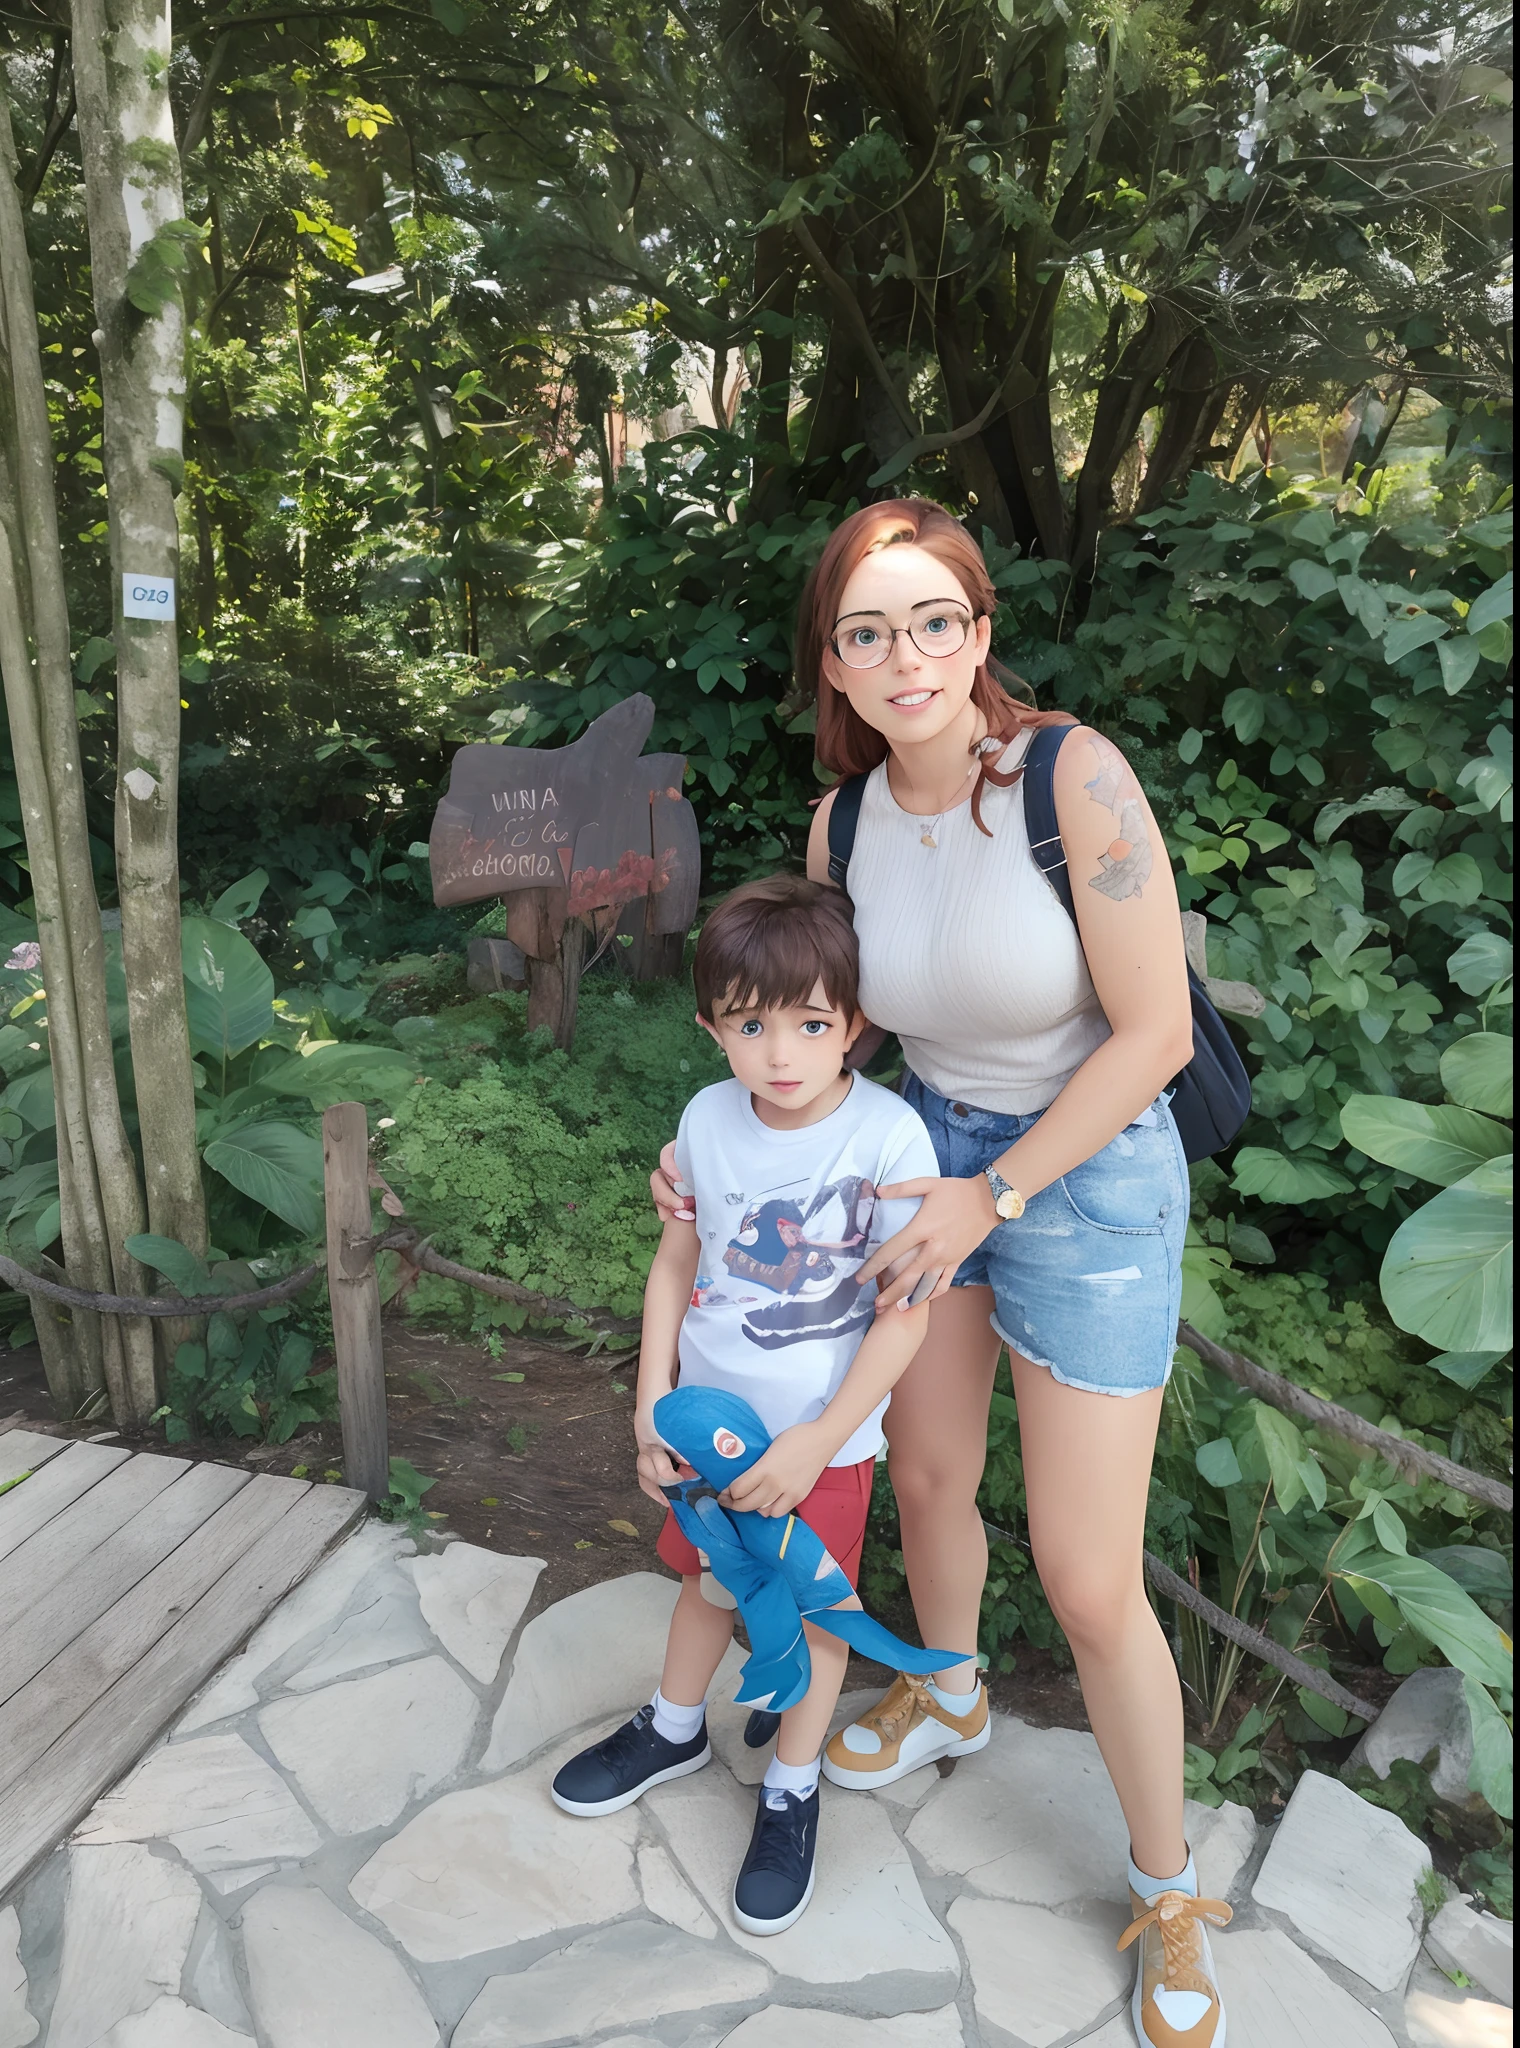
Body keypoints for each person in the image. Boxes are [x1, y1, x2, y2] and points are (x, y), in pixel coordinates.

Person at [652, 500, 1232, 2047]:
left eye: (931, 622)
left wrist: (994, 1191)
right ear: (829, 665)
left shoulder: (1072, 779)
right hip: (930, 1163)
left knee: (1094, 1580)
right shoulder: (846, 827)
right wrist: (721, 1149)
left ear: (980, 634)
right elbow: (832, 1031)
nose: (901, 656)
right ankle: (953, 1688)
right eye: (864, 630)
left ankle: (1169, 1885)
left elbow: (1158, 1035)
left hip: (1085, 1175)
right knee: (921, 1471)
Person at [551, 873, 950, 1936]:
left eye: (810, 1022)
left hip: (822, 1442)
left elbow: (902, 1318)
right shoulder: (705, 1120)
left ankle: (791, 1784)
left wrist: (820, 1441)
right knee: (702, 1583)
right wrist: (649, 1404)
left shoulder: (890, 1141)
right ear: (710, 1025)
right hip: (706, 1427)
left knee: (812, 1619)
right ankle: (675, 1724)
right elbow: (673, 1267)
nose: (779, 1052)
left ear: (853, 1026)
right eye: (749, 1023)